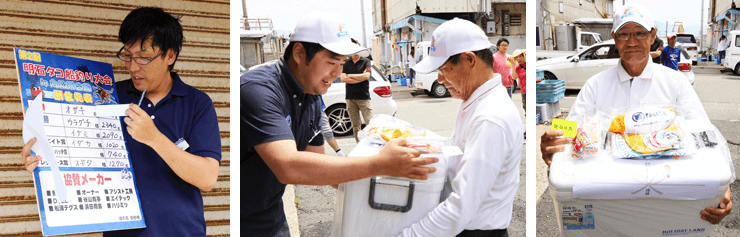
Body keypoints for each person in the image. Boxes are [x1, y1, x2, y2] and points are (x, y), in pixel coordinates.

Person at [21, 7, 222, 236]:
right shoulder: (107, 96)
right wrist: (43, 162)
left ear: (170, 56)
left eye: (144, 57)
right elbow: (76, 151)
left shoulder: (197, 103)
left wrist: (155, 138)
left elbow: (207, 179)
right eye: (127, 55)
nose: (133, 66)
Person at [240, 12, 438, 237]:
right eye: (331, 62)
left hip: (271, 218)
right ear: (298, 53)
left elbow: (318, 164)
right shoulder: (257, 91)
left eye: (342, 64)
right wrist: (379, 164)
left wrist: (389, 179)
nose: (337, 73)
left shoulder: (311, 94)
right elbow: (289, 167)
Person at [540, 3, 732, 226]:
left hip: (666, 206)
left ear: (652, 37)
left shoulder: (675, 83)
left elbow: (705, 136)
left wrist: (722, 187)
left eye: (639, 33)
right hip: (608, 205)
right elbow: (571, 127)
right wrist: (553, 137)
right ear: (614, 37)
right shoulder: (595, 85)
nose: (631, 42)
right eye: (624, 34)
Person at [399, 18, 523, 237]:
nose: (440, 79)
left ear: (469, 60)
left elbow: (461, 205)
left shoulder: (490, 117)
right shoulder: (474, 101)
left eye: (444, 69)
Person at [341, 38, 374, 143]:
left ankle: (372, 144)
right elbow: (343, 78)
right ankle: (359, 145)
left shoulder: (366, 61)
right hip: (350, 98)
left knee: (370, 124)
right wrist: (360, 77)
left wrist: (350, 76)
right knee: (356, 126)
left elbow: (366, 76)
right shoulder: (346, 63)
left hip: (364, 97)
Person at [509, 49, 526, 141]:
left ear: (524, 56)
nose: (519, 58)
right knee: (526, 111)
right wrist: (513, 65)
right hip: (524, 91)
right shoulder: (518, 68)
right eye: (516, 57)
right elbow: (514, 77)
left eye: (520, 56)